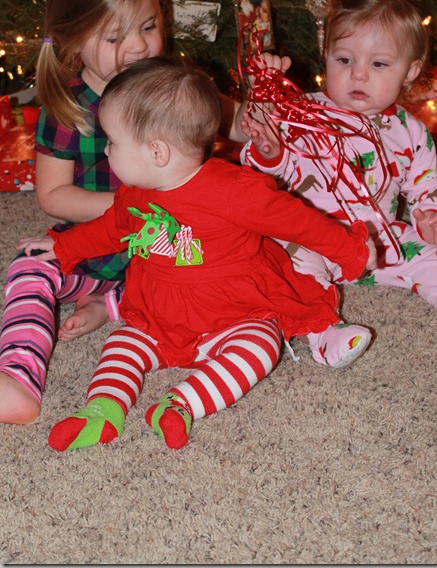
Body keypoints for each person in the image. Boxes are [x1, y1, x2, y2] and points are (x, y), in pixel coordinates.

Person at [18, 56, 377, 451]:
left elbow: (300, 223)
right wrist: (64, 245)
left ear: (157, 152)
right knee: (123, 343)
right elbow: (111, 229)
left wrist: (351, 251)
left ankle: (181, 403)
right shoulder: (136, 194)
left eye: (113, 142)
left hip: (235, 313)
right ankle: (103, 408)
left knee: (260, 347)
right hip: (160, 314)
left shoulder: (235, 191)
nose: (106, 151)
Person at [0, 0, 248, 426]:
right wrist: (127, 207)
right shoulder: (67, 107)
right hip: (96, 246)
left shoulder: (174, 87)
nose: (138, 46)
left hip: (172, 255)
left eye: (149, 27)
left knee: (230, 271)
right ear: (73, 39)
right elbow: (53, 196)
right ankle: (18, 378)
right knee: (29, 267)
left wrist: (260, 113)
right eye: (115, 37)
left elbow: (237, 123)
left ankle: (111, 306)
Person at [241, 0, 437, 369]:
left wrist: (431, 214)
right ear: (327, 56)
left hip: (378, 240)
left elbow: (428, 181)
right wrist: (269, 150)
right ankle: (324, 333)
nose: (358, 73)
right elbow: (257, 179)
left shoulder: (410, 130)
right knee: (286, 263)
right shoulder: (302, 113)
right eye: (344, 60)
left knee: (431, 256)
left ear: (410, 71)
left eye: (379, 63)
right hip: (312, 238)